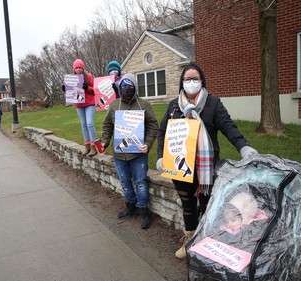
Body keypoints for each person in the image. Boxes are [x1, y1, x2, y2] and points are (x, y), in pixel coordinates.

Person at [156, 63, 258, 259]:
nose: (191, 82)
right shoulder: (173, 106)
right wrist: (161, 155)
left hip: (206, 170)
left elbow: (229, 127)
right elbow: (163, 132)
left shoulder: (213, 104)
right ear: (182, 82)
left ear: (202, 81)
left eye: (195, 79)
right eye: (187, 79)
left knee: (207, 205)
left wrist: (243, 147)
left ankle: (206, 240)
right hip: (181, 168)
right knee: (187, 205)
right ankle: (190, 238)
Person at [101, 73, 158, 229]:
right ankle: (130, 205)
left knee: (140, 183)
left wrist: (147, 143)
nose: (126, 89)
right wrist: (105, 140)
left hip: (138, 153)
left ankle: (143, 210)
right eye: (123, 86)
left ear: (135, 88)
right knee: (125, 182)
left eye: (130, 87)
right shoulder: (114, 105)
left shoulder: (144, 105)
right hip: (119, 154)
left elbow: (153, 125)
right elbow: (107, 125)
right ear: (119, 88)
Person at [72, 59, 97, 157]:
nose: (78, 69)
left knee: (90, 123)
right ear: (74, 69)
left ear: (83, 68)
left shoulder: (89, 77)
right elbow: (70, 93)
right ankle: (87, 145)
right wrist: (65, 89)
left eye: (80, 67)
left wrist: (87, 87)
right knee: (83, 124)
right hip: (79, 104)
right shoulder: (72, 79)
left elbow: (95, 90)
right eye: (76, 68)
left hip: (89, 103)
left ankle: (93, 146)